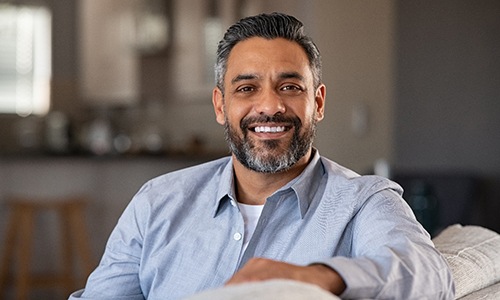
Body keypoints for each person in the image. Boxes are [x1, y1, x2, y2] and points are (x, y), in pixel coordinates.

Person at [69, 12, 454, 299]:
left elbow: (429, 276)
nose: (270, 106)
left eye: (289, 86)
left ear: (317, 103)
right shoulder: (157, 201)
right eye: (247, 88)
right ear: (220, 105)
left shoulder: (364, 202)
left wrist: (319, 278)